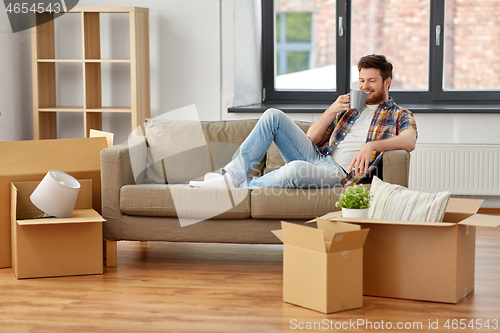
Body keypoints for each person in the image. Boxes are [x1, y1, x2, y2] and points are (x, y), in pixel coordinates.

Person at [189, 54, 417, 190]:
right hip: (320, 158)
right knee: (273, 115)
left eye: (372, 81)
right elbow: (311, 139)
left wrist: (371, 146)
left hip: (340, 174)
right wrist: (332, 110)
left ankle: (237, 187)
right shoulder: (350, 109)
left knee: (296, 169)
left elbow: (409, 141)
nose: (364, 86)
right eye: (361, 80)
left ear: (387, 82)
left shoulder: (399, 114)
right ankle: (230, 177)